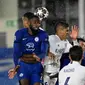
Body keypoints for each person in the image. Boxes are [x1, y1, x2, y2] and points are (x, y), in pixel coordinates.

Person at [8, 12, 49, 85]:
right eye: (34, 23)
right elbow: (16, 52)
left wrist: (39, 56)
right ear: (29, 23)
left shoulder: (43, 34)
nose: (37, 25)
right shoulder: (19, 33)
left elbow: (44, 52)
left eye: (38, 23)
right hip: (24, 66)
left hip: (36, 66)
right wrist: (15, 67)